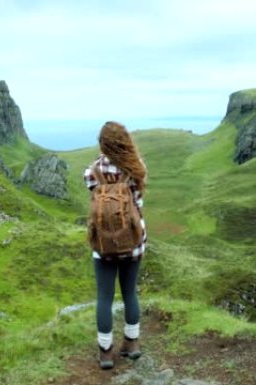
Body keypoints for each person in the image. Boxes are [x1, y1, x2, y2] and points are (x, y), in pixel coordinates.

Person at [83, 121, 147, 370]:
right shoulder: (138, 168)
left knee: (104, 297)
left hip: (103, 244)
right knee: (130, 292)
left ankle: (106, 353)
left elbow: (94, 199)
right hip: (133, 242)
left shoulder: (91, 172)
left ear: (103, 144)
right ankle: (132, 345)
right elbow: (139, 201)